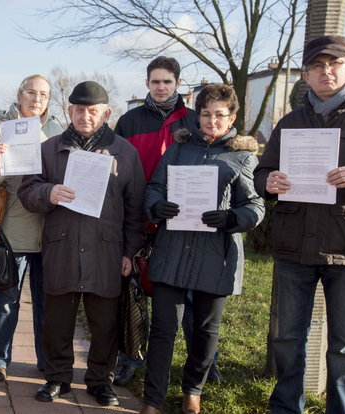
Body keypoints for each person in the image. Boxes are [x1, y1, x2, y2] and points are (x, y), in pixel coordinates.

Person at [255, 35, 345, 414]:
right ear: (306, 74)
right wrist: (267, 182)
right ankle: (286, 408)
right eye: (317, 65)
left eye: (334, 63)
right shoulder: (290, 122)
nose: (326, 71)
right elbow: (263, 171)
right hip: (295, 246)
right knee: (286, 338)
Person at [18, 81, 146, 407]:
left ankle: (100, 381)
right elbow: (27, 191)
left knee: (104, 323)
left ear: (106, 113)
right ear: (68, 111)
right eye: (78, 110)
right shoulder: (49, 149)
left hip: (107, 250)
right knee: (57, 320)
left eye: (92, 111)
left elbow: (135, 209)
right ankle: (57, 378)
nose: (85, 116)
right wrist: (49, 193)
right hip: (61, 247)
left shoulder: (125, 153)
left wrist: (130, 252)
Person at [140, 83, 264, 414]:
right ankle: (153, 398)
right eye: (206, 114)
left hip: (216, 255)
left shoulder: (242, 157)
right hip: (173, 251)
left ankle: (193, 389)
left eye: (219, 115)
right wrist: (157, 206)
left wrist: (231, 217)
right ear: (198, 116)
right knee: (164, 330)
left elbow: (255, 207)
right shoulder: (178, 150)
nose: (212, 121)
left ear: (232, 117)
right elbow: (153, 186)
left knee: (206, 332)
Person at [113, 56, 222, 386]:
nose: (161, 87)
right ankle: (130, 357)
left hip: (183, 218)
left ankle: (203, 363)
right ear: (146, 84)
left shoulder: (193, 120)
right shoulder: (129, 121)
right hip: (137, 214)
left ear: (177, 84)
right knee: (131, 292)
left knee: (190, 294)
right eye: (155, 81)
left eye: (168, 82)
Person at [0, 74, 63, 381]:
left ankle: (45, 360)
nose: (37, 98)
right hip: (11, 228)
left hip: (50, 229)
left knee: (47, 301)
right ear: (19, 95)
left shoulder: (57, 130)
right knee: (6, 300)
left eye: (43, 94)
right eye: (31, 92)